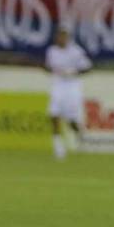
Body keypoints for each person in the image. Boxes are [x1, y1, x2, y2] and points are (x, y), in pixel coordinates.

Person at [45, 25, 92, 160]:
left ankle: (80, 137)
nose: (61, 39)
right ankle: (58, 146)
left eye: (64, 36)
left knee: (71, 119)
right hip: (58, 86)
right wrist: (53, 71)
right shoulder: (52, 51)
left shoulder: (76, 51)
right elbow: (49, 67)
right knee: (53, 114)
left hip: (72, 87)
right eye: (59, 36)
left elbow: (88, 67)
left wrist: (74, 72)